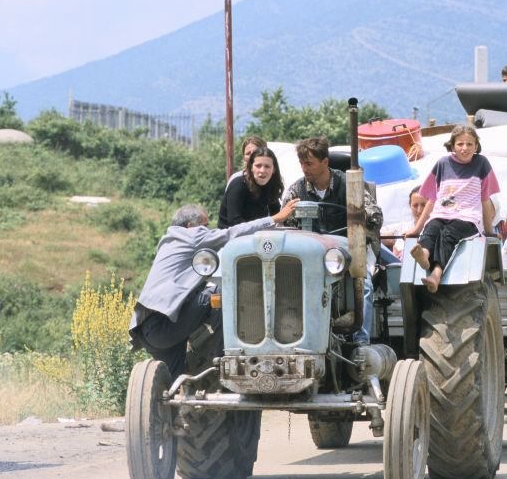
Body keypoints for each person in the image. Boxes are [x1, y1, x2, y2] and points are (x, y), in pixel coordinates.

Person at [128, 201, 298, 379]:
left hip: (149, 330)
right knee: (218, 294)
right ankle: (222, 360)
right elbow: (231, 233)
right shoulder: (192, 235)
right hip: (163, 326)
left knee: (172, 386)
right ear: (190, 226)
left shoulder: (168, 241)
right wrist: (274, 219)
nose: (208, 231)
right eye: (205, 226)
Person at [283, 136, 383, 344]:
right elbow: (285, 226)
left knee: (363, 286)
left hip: (350, 250)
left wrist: (361, 214)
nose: (304, 168)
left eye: (309, 163)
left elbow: (375, 216)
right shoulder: (296, 191)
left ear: (325, 162)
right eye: (302, 163)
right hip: (312, 256)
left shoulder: (351, 185)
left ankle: (360, 342)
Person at [409, 125, 500, 293]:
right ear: (452, 146)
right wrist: (416, 229)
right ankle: (424, 256)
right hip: (442, 213)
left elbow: (485, 200)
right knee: (432, 228)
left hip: (468, 218)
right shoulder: (443, 164)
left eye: (469, 144)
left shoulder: (482, 164)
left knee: (448, 235)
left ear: (476, 146)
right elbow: (432, 199)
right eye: (460, 144)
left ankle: (436, 274)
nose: (464, 148)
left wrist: (488, 231)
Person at [218, 146, 284, 228]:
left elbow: (276, 215)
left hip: (256, 235)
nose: (262, 170)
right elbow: (234, 221)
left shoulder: (271, 186)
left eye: (267, 166)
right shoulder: (239, 185)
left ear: (273, 169)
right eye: (258, 166)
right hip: (231, 237)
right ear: (251, 167)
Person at [381, 186, 427, 260]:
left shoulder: (435, 228)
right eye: (415, 205)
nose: (419, 210)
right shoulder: (402, 227)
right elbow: (376, 235)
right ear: (410, 206)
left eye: (423, 205)